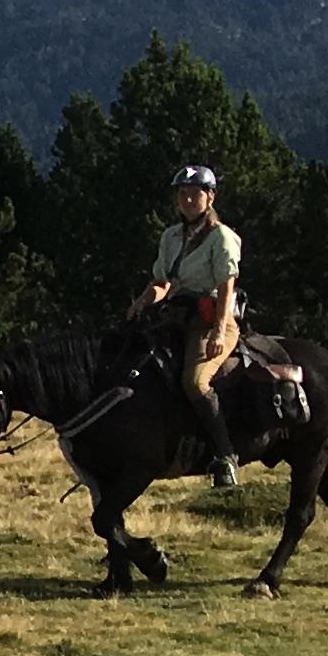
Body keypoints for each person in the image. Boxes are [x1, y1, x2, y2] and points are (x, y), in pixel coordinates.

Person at [133, 163, 245, 488]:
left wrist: (217, 330)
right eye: (182, 194)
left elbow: (227, 286)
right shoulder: (171, 237)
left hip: (211, 317)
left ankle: (226, 456)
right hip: (175, 315)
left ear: (210, 197)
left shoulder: (222, 237)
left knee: (196, 382)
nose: (187, 200)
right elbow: (162, 282)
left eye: (195, 193)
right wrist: (142, 301)